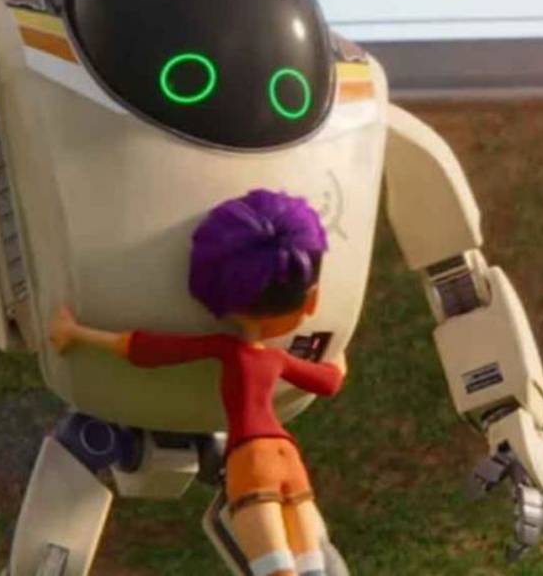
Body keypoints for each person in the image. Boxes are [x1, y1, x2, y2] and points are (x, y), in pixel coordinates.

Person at [50, 188, 346, 576]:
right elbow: (330, 379)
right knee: (314, 566)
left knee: (276, 569)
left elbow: (147, 348)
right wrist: (339, 338)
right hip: (286, 456)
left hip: (251, 460)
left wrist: (77, 333)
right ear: (311, 301)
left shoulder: (227, 349)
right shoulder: (275, 359)